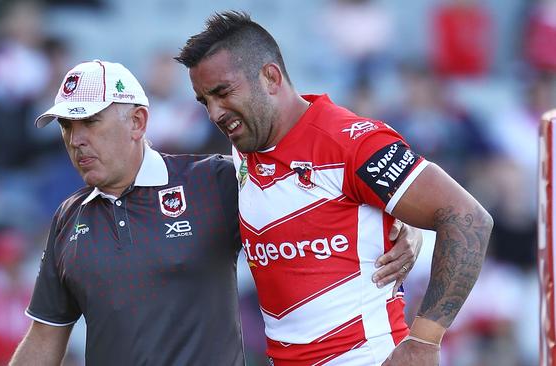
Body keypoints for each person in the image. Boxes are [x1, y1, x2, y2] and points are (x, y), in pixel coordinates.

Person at [9, 60, 421, 365]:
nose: (75, 140)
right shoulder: (69, 218)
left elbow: (319, 202)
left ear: (137, 122)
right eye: (66, 127)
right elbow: (46, 335)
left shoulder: (214, 182)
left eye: (89, 123)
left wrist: (398, 220)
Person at [176, 11, 493, 366]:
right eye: (205, 101)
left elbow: (469, 218)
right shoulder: (243, 151)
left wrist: (424, 341)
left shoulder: (351, 142)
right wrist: (401, 224)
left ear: (270, 77)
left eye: (223, 93)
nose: (215, 113)